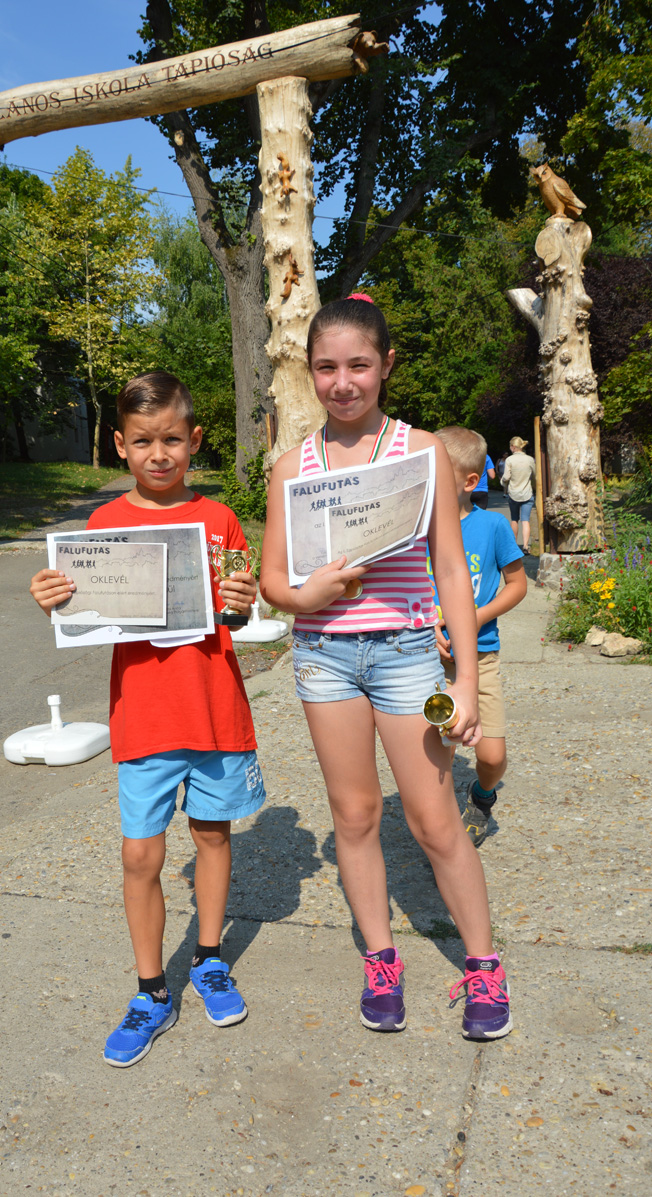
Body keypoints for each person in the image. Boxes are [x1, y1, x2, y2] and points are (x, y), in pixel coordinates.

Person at [259, 296, 512, 1041]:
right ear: (309, 371)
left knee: (435, 821)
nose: (342, 382)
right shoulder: (290, 468)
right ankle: (380, 958)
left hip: (407, 656)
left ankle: (484, 965)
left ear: (386, 365)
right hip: (325, 658)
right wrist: (305, 595)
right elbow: (274, 581)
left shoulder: (420, 450)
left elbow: (452, 571)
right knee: (355, 816)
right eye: (326, 367)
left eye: (359, 365)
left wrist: (464, 681)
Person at [30, 371, 266, 1068]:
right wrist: (54, 596)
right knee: (140, 854)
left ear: (194, 439)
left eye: (171, 439)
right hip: (145, 715)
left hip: (213, 709)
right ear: (119, 445)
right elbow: (83, 614)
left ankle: (210, 958)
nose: (158, 454)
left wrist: (242, 598)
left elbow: (239, 611)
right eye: (142, 441)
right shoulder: (103, 526)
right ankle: (150, 991)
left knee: (212, 835)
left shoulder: (220, 518)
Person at [432, 427, 527, 846]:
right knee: (438, 753)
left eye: (437, 474)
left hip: (481, 656)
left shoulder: (492, 526)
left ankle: (481, 797)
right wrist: (429, 626)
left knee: (491, 757)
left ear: (470, 481)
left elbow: (517, 585)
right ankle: (439, 825)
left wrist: (471, 619)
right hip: (426, 660)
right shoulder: (416, 532)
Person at [501, 436, 536, 554]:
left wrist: (502, 482)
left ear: (513, 447)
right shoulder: (530, 459)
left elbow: (506, 477)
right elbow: (534, 476)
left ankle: (514, 545)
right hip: (527, 493)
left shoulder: (509, 460)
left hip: (514, 493)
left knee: (514, 519)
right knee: (525, 520)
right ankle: (525, 546)